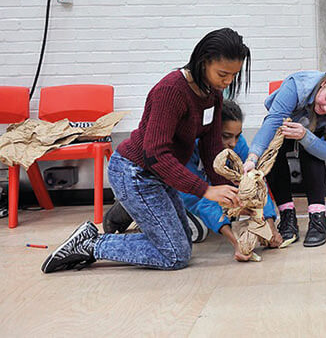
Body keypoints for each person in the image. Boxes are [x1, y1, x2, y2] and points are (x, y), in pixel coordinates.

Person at [42, 28, 251, 273]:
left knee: (181, 241)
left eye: (233, 76)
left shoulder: (211, 93)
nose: (227, 82)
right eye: (223, 74)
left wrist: (231, 195)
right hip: (135, 173)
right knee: (175, 255)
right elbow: (155, 154)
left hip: (159, 176)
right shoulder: (171, 90)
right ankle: (90, 245)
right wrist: (206, 190)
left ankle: (90, 239)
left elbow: (211, 148)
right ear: (203, 61)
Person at [102, 100, 283, 261]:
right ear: (212, 132)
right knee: (197, 232)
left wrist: (269, 224)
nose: (233, 143)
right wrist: (236, 242)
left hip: (207, 193)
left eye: (237, 135)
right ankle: (129, 210)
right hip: (181, 191)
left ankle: (141, 208)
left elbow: (256, 183)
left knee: (230, 212)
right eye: (226, 136)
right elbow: (199, 199)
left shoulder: (238, 144)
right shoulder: (189, 147)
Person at [246, 70, 326, 248]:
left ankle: (318, 218)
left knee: (313, 153)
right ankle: (287, 217)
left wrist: (305, 137)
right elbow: (273, 121)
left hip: (310, 134)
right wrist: (252, 158)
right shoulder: (297, 85)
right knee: (272, 152)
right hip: (283, 127)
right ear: (325, 83)